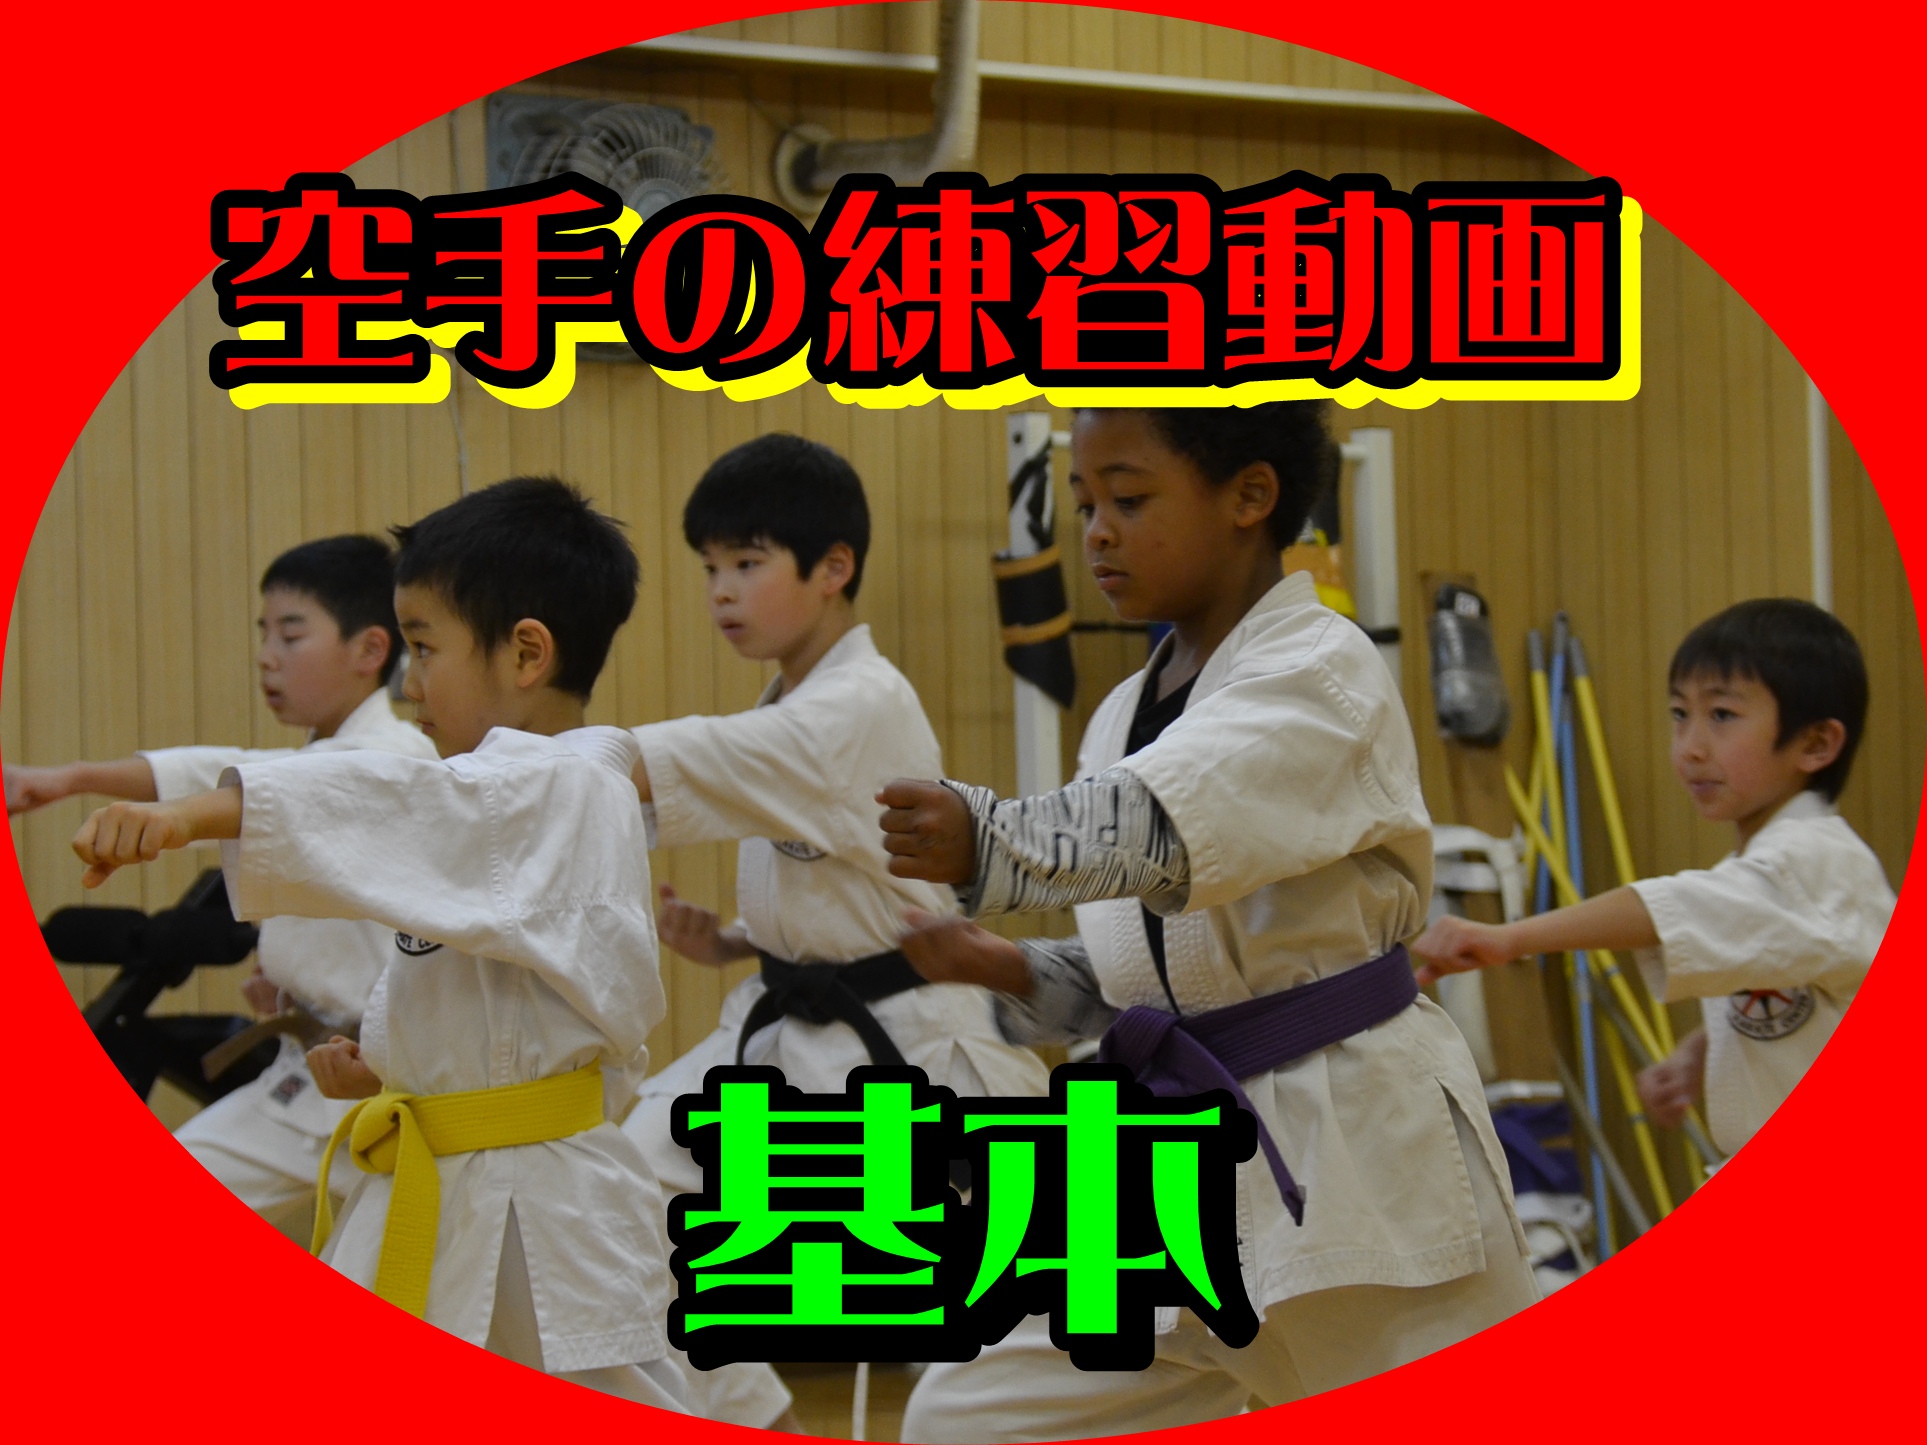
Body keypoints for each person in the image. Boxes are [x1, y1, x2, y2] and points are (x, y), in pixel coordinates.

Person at [876, 404, 1536, 1439]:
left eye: (1129, 500)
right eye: (1086, 505)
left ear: (1249, 495)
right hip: (1158, 1151)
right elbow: (1165, 978)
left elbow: (1157, 831)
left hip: (1345, 1142)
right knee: (969, 1418)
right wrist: (1013, 969)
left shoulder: (1318, 668)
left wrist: (990, 837)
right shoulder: (1119, 712)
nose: (1097, 531)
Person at [70, 479, 685, 1409]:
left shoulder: (562, 784)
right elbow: (486, 997)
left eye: (426, 648)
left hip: (542, 1201)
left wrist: (192, 815)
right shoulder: (496, 792)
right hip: (453, 1169)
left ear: (525, 652)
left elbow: (383, 804)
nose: (409, 682)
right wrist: (395, 1064)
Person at [623, 432, 1049, 1428]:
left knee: (1015, 1301)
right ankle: (752, 1412)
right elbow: (842, 874)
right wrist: (735, 939)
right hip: (792, 1023)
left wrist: (551, 759)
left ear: (833, 567)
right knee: (625, 1184)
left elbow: (699, 760)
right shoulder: (796, 697)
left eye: (747, 562)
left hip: (913, 1039)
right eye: (710, 568)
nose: (721, 591)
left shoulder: (855, 703)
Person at [5, 534, 436, 1241]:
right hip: (309, 1079)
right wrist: (71, 778)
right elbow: (237, 769)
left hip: (388, 1090)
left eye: (290, 634)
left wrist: (155, 813)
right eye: (264, 633)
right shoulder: (331, 752)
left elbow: (260, 786)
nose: (267, 655)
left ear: (368, 649)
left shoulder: (393, 758)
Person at [1414, 597, 1892, 1157]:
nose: (1691, 748)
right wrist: (1699, 1053)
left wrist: (1510, 938)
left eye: (1722, 715)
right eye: (1680, 714)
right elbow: (1801, 993)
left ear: (1815, 744)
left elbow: (1667, 907)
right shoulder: (1766, 872)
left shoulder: (1818, 863)